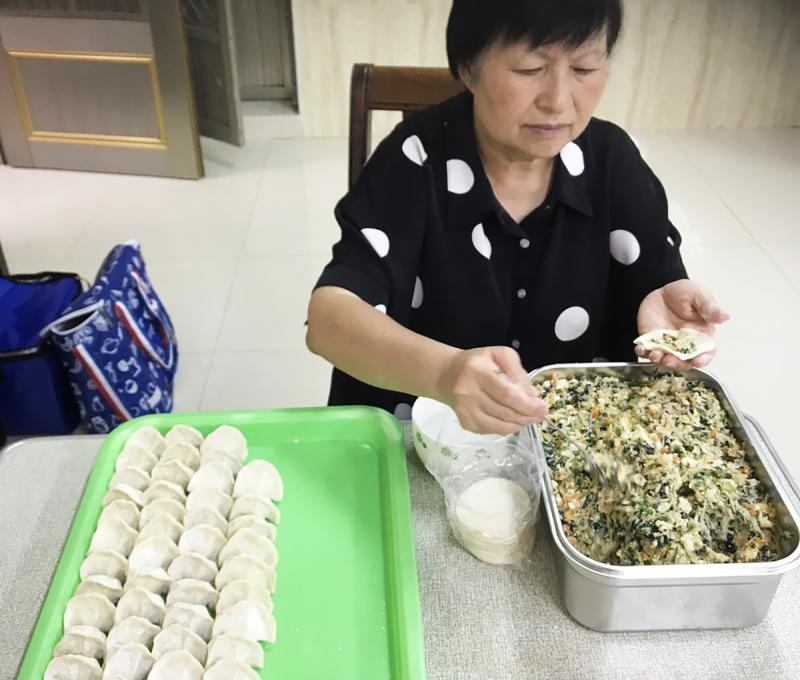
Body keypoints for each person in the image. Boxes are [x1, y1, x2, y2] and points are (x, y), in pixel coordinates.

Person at [306, 0, 729, 435]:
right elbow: (330, 319)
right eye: (530, 69)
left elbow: (657, 281)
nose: (558, 101)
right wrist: (445, 373)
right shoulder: (416, 160)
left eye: (584, 69)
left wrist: (667, 298)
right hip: (432, 437)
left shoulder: (611, 161)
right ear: (469, 67)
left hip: (570, 441)